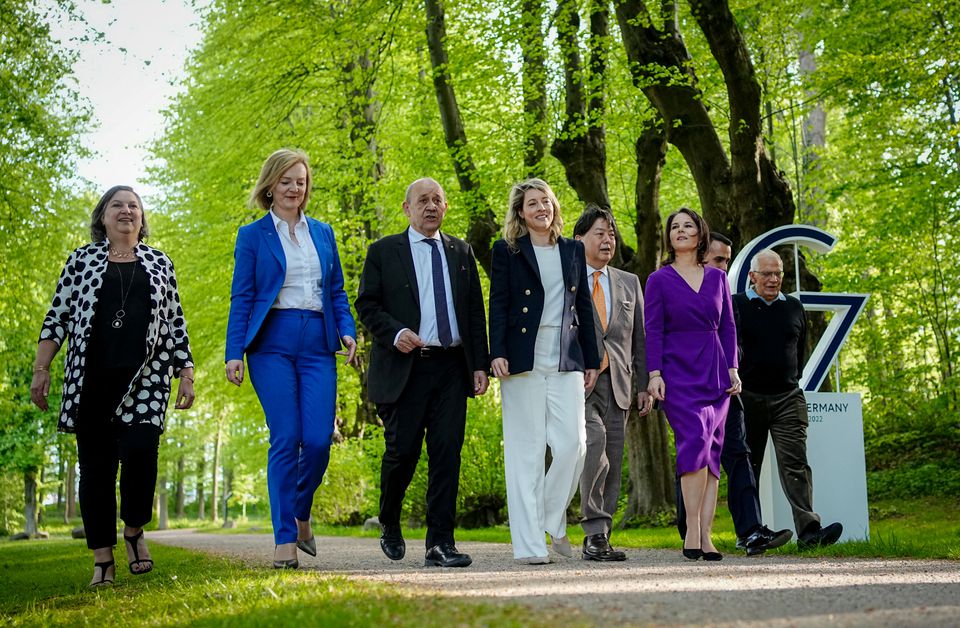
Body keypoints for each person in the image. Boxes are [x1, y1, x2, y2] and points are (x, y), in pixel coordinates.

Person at [30, 185, 195, 588]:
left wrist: (185, 372)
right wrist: (42, 367)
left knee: (141, 454)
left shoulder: (159, 263)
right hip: (91, 378)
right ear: (102, 218)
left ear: (142, 218)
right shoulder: (81, 261)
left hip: (147, 378)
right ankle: (102, 557)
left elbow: (175, 321)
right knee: (96, 471)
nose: (125, 211)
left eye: (133, 206)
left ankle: (134, 529)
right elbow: (58, 317)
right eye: (116, 205)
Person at [225, 148, 358, 569]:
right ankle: (285, 537)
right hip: (272, 344)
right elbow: (242, 297)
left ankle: (301, 511)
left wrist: (347, 329)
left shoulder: (323, 232)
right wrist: (234, 353)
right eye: (286, 180)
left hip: (318, 342)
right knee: (286, 436)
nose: (294, 188)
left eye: (300, 181)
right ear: (270, 185)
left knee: (318, 441)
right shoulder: (252, 236)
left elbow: (335, 289)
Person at [355, 177, 489, 568]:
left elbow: (474, 314)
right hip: (406, 366)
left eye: (437, 200)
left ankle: (440, 543)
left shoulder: (461, 252)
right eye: (422, 200)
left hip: (451, 365)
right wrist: (394, 332)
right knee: (403, 453)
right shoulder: (384, 251)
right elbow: (367, 305)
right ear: (407, 208)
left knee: (447, 453)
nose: (430, 206)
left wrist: (479, 364)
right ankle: (390, 520)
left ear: (445, 208)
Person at [489, 178, 600, 564]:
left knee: (574, 444)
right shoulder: (506, 251)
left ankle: (552, 518)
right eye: (532, 203)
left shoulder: (572, 249)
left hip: (565, 354)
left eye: (546, 202)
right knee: (526, 451)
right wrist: (496, 352)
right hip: (521, 356)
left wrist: (592, 357)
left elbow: (583, 306)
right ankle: (530, 545)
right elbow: (498, 303)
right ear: (521, 212)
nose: (541, 208)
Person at [675, 234, 793, 555]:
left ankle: (751, 531)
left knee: (740, 456)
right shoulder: (678, 290)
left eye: (727, 260)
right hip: (691, 391)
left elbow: (734, 339)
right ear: (700, 258)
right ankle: (691, 529)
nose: (724, 267)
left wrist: (732, 367)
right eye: (718, 260)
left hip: (727, 388)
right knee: (694, 458)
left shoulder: (725, 293)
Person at [644, 207, 739, 561]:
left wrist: (733, 367)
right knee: (694, 441)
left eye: (688, 226)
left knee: (713, 452)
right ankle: (693, 529)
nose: (681, 231)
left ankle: (707, 534)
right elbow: (652, 329)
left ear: (700, 234)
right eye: (675, 227)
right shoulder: (658, 279)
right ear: (669, 237)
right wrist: (654, 374)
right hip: (678, 373)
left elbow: (728, 327)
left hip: (715, 372)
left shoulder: (717, 279)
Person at [734, 249, 843, 549]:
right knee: (748, 465)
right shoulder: (736, 306)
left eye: (778, 273)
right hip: (747, 397)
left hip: (787, 397)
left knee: (796, 464)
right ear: (752, 276)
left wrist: (790, 382)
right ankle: (750, 533)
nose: (773, 279)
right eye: (766, 274)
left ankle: (809, 531)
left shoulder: (794, 308)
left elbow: (800, 353)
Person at [572, 205, 651, 562]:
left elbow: (641, 340)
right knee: (594, 446)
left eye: (612, 234)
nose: (608, 240)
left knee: (614, 461)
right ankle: (593, 529)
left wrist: (645, 385)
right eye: (599, 233)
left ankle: (602, 535)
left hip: (620, 384)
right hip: (579, 382)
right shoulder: (567, 278)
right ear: (579, 239)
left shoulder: (629, 282)